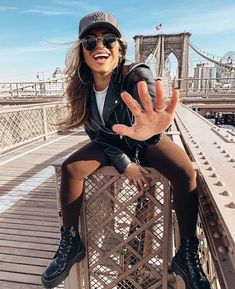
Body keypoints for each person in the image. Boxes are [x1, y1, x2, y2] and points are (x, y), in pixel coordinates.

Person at [41, 11, 211, 289]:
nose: (100, 47)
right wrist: (124, 164)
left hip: (145, 140)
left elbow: (146, 89)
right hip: (111, 142)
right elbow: (95, 132)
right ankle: (70, 242)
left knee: (184, 171)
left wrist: (152, 125)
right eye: (90, 42)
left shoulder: (134, 73)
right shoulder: (81, 88)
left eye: (108, 40)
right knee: (71, 168)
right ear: (82, 52)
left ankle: (187, 252)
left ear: (120, 49)